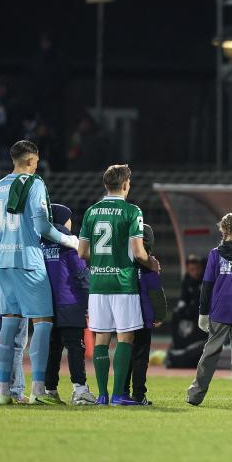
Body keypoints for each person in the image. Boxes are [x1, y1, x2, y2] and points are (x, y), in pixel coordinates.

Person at [0, 140, 79, 405]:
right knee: (43, 323)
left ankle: (2, 392)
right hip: (29, 261)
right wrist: (70, 240)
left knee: (9, 324)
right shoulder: (34, 184)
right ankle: (37, 389)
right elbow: (43, 226)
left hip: (3, 264)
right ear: (31, 160)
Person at [77, 164, 160, 406]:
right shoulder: (132, 211)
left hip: (98, 283)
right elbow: (137, 250)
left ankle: (102, 395)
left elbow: (82, 252)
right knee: (125, 338)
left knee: (102, 339)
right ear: (125, 185)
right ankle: (118, 396)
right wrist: (151, 263)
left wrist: (103, 260)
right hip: (123, 283)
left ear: (106, 185)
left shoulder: (91, 211)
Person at [187, 213, 232, 408]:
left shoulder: (215, 254)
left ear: (223, 229)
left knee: (210, 354)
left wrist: (203, 313)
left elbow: (207, 286)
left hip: (219, 311)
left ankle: (195, 395)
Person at [41, 203, 95, 405]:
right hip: (71, 302)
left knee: (52, 348)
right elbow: (81, 275)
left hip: (47, 304)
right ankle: (80, 390)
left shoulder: (41, 242)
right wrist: (90, 299)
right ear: (64, 220)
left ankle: (49, 390)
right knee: (75, 347)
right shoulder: (71, 244)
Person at [124, 224, 166, 405]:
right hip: (143, 318)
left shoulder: (122, 261)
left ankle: (121, 392)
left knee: (124, 355)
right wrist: (160, 315)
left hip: (124, 317)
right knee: (140, 358)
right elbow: (156, 293)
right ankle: (139, 395)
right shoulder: (150, 265)